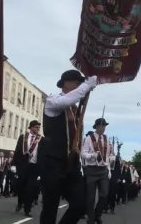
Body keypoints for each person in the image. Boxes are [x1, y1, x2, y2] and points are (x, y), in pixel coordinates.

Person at [40, 69, 97, 224]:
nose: (80, 87)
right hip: (53, 163)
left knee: (80, 204)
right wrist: (87, 86)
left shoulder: (75, 110)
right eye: (77, 84)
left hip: (71, 164)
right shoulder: (53, 100)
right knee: (50, 209)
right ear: (67, 83)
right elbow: (66, 101)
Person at [81, 118, 110, 224]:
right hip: (91, 169)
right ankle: (91, 218)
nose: (103, 128)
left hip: (103, 170)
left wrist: (108, 167)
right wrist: (92, 155)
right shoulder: (89, 138)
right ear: (97, 126)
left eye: (105, 126)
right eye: (102, 126)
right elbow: (83, 153)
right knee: (90, 197)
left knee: (104, 194)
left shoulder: (106, 139)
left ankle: (97, 214)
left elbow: (107, 154)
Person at [13, 120, 44, 217]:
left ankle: (27, 209)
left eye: (39, 127)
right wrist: (14, 164)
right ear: (30, 128)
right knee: (21, 186)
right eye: (36, 127)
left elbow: (43, 154)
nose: (38, 129)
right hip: (23, 165)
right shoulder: (23, 137)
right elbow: (17, 150)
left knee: (31, 188)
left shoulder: (41, 139)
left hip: (34, 167)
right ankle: (20, 202)